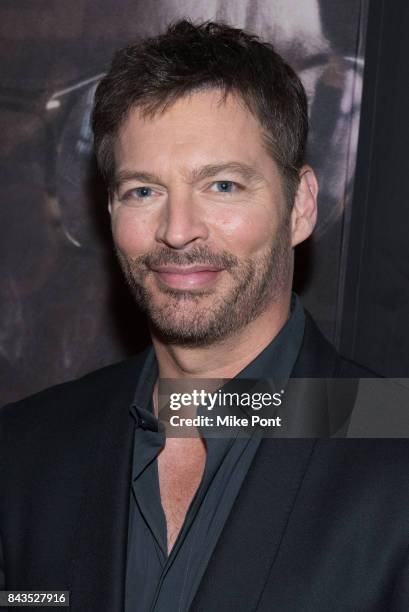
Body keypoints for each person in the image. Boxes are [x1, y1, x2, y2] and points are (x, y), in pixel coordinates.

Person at [1, 20, 409, 612]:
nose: (177, 230)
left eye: (221, 185)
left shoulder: (394, 442)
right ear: (109, 208)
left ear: (300, 207)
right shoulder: (25, 453)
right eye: (144, 191)